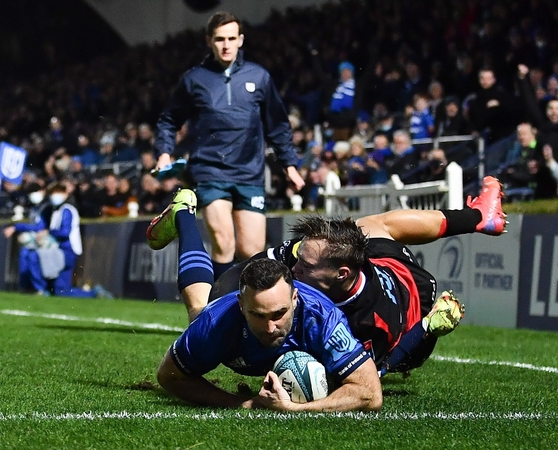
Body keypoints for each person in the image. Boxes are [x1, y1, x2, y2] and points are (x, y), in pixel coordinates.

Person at [200, 176, 507, 376]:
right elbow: (251, 270)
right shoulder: (312, 256)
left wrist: (427, 327)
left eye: (305, 267)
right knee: (370, 226)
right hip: (383, 262)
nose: (294, 270)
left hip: (415, 311)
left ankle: (480, 219)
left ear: (341, 274)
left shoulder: (371, 324)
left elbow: (370, 375)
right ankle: (479, 218)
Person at [151, 200, 381, 411]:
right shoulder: (217, 322)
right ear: (242, 307)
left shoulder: (322, 317)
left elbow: (371, 394)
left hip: (277, 282)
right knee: (199, 310)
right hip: (231, 287)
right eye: (259, 315)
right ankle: (184, 215)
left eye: (279, 314)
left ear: (295, 299)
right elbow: (169, 376)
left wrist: (294, 408)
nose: (271, 328)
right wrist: (244, 403)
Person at [153, 11, 305, 280]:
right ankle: (219, 303)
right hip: (210, 171)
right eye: (220, 39)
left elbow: (278, 125)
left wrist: (289, 165)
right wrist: (164, 153)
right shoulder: (194, 79)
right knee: (223, 243)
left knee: (252, 251)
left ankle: (243, 303)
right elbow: (169, 120)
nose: (226, 45)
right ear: (209, 41)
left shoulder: (259, 77)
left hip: (249, 173)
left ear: (241, 40)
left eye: (232, 38)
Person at [4, 183, 108, 298]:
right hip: (62, 250)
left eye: (58, 193)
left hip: (66, 251)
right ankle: (95, 293)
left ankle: (40, 289)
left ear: (65, 194)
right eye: (53, 193)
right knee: (61, 291)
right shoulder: (56, 210)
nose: (55, 196)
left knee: (34, 256)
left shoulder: (67, 210)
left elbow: (64, 232)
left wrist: (48, 232)